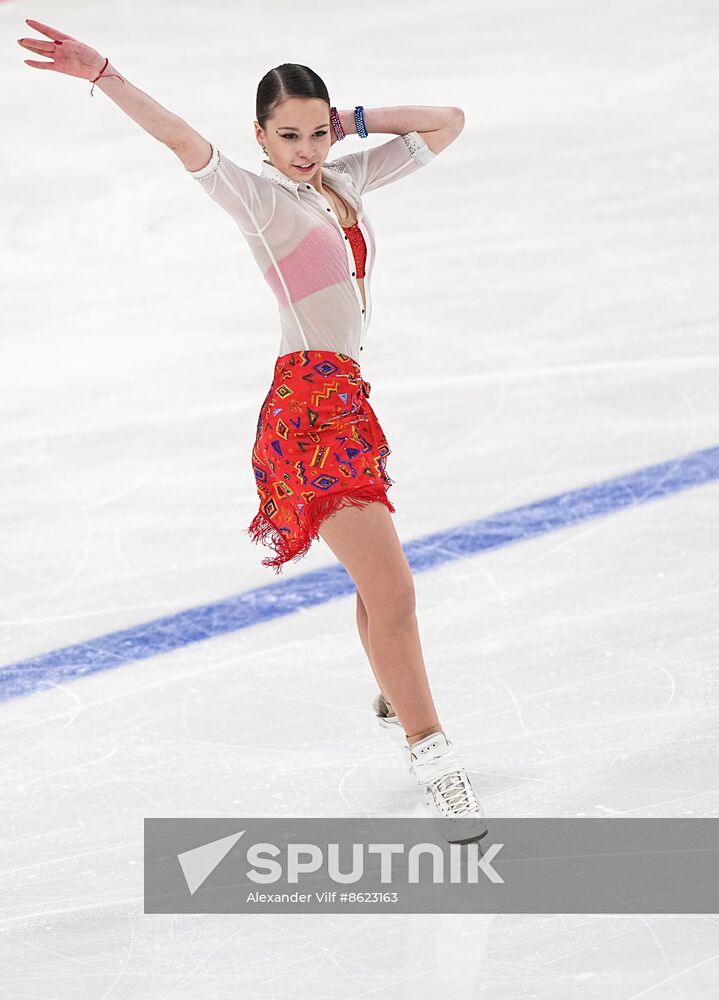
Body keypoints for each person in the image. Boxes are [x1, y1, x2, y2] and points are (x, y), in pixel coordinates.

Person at [18, 19, 487, 839]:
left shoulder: (343, 184)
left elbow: (447, 120)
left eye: (315, 131)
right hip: (306, 412)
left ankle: (393, 690)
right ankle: (430, 751)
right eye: (288, 135)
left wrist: (354, 124)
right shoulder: (257, 196)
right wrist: (106, 74)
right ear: (260, 136)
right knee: (394, 590)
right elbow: (181, 140)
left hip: (348, 400)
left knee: (377, 583)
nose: (304, 149)